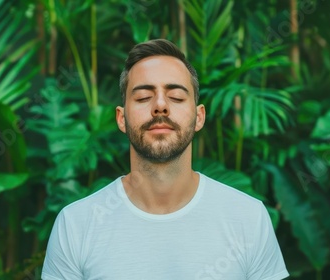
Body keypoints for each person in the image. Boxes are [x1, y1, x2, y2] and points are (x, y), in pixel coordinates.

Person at [42, 39, 289, 280]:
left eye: (177, 97)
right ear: (121, 118)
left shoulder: (248, 218)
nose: (160, 105)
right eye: (142, 98)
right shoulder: (75, 225)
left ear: (199, 117)